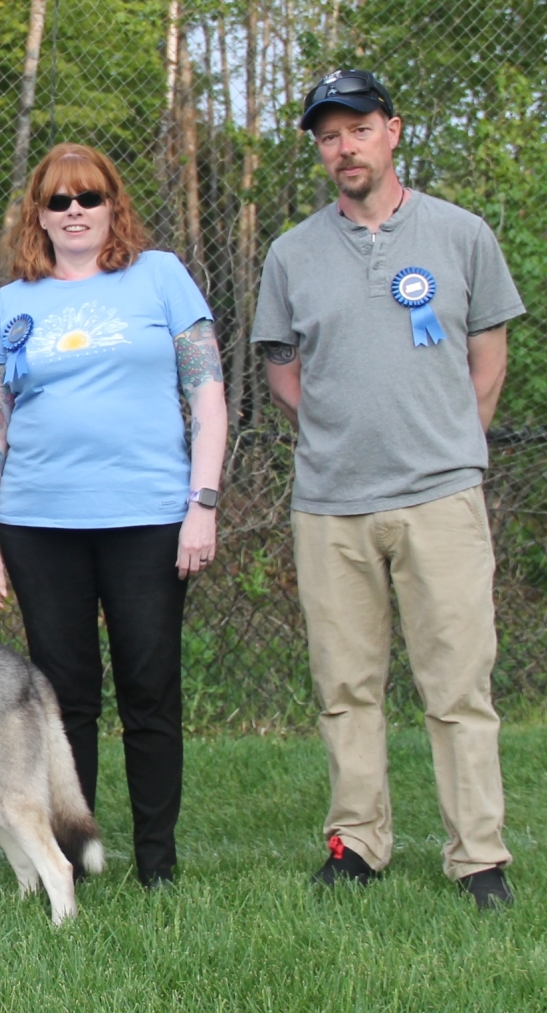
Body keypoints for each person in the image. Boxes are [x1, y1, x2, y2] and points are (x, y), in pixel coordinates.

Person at [252, 70, 524, 909]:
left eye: (358, 129)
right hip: (330, 504)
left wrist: (449, 444)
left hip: (440, 496)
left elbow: (488, 357)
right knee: (344, 688)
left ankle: (477, 857)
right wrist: (341, 434)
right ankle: (356, 845)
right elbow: (282, 370)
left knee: (457, 689)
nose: (344, 148)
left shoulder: (460, 233)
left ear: (392, 131)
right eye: (328, 136)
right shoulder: (291, 253)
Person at [0, 143, 228, 889]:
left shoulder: (160, 276)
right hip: (38, 523)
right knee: (64, 698)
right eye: (59, 200)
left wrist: (202, 504)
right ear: (39, 215)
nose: (74, 211)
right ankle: (72, 862)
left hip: (149, 518)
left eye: (89, 197)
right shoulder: (13, 302)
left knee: (150, 689)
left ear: (113, 205)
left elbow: (208, 395)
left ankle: (157, 864)